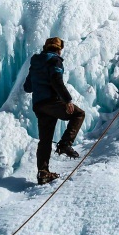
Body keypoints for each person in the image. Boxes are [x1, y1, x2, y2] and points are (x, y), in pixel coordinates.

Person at [23, 36, 85, 185]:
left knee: (45, 140)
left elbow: (28, 87)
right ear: (59, 49)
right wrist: (67, 100)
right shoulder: (54, 60)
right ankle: (65, 144)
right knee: (78, 114)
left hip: (39, 105)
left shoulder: (36, 62)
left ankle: (43, 173)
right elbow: (56, 81)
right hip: (52, 102)